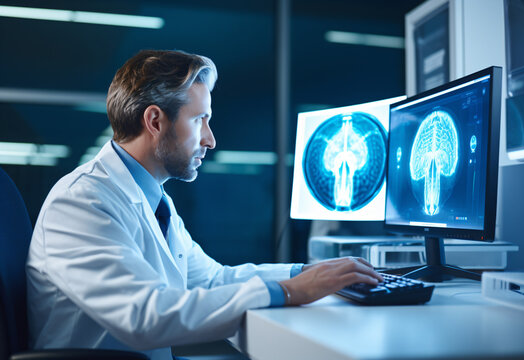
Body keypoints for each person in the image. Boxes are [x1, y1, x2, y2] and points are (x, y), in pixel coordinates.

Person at [26, 49, 383, 360]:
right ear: (155, 121)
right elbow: (143, 317)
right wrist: (291, 293)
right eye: (200, 120)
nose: (210, 140)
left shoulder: (155, 199)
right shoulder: (82, 201)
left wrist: (302, 274)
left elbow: (211, 280)